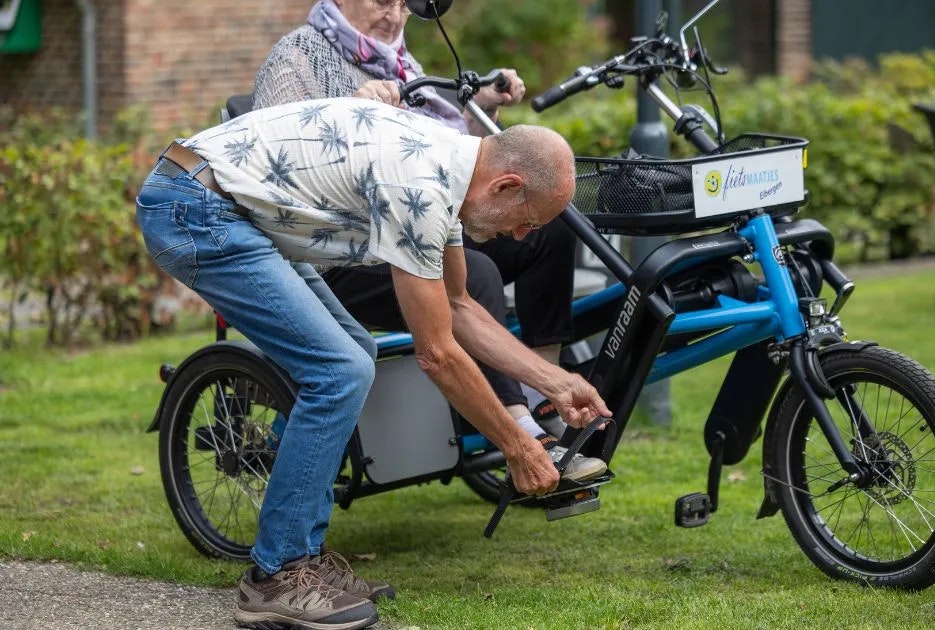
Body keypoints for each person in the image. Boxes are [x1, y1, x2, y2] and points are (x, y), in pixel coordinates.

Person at [135, 97, 612, 629]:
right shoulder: (421, 187)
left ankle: (302, 562)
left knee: (352, 356)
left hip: (229, 206)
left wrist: (557, 380)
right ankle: (276, 574)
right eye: (527, 222)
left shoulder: (449, 171)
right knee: (339, 371)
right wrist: (519, 445)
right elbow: (437, 354)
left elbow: (459, 307)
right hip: (196, 207)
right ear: (505, 186)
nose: (522, 237)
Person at [252, 0, 587, 452]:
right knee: (473, 273)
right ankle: (517, 426)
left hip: (421, 217)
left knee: (551, 232)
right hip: (348, 240)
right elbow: (280, 142)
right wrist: (351, 109)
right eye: (381, 1)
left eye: (403, 5)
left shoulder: (404, 65)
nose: (393, 14)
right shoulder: (297, 54)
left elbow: (454, 165)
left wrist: (481, 106)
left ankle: (541, 385)